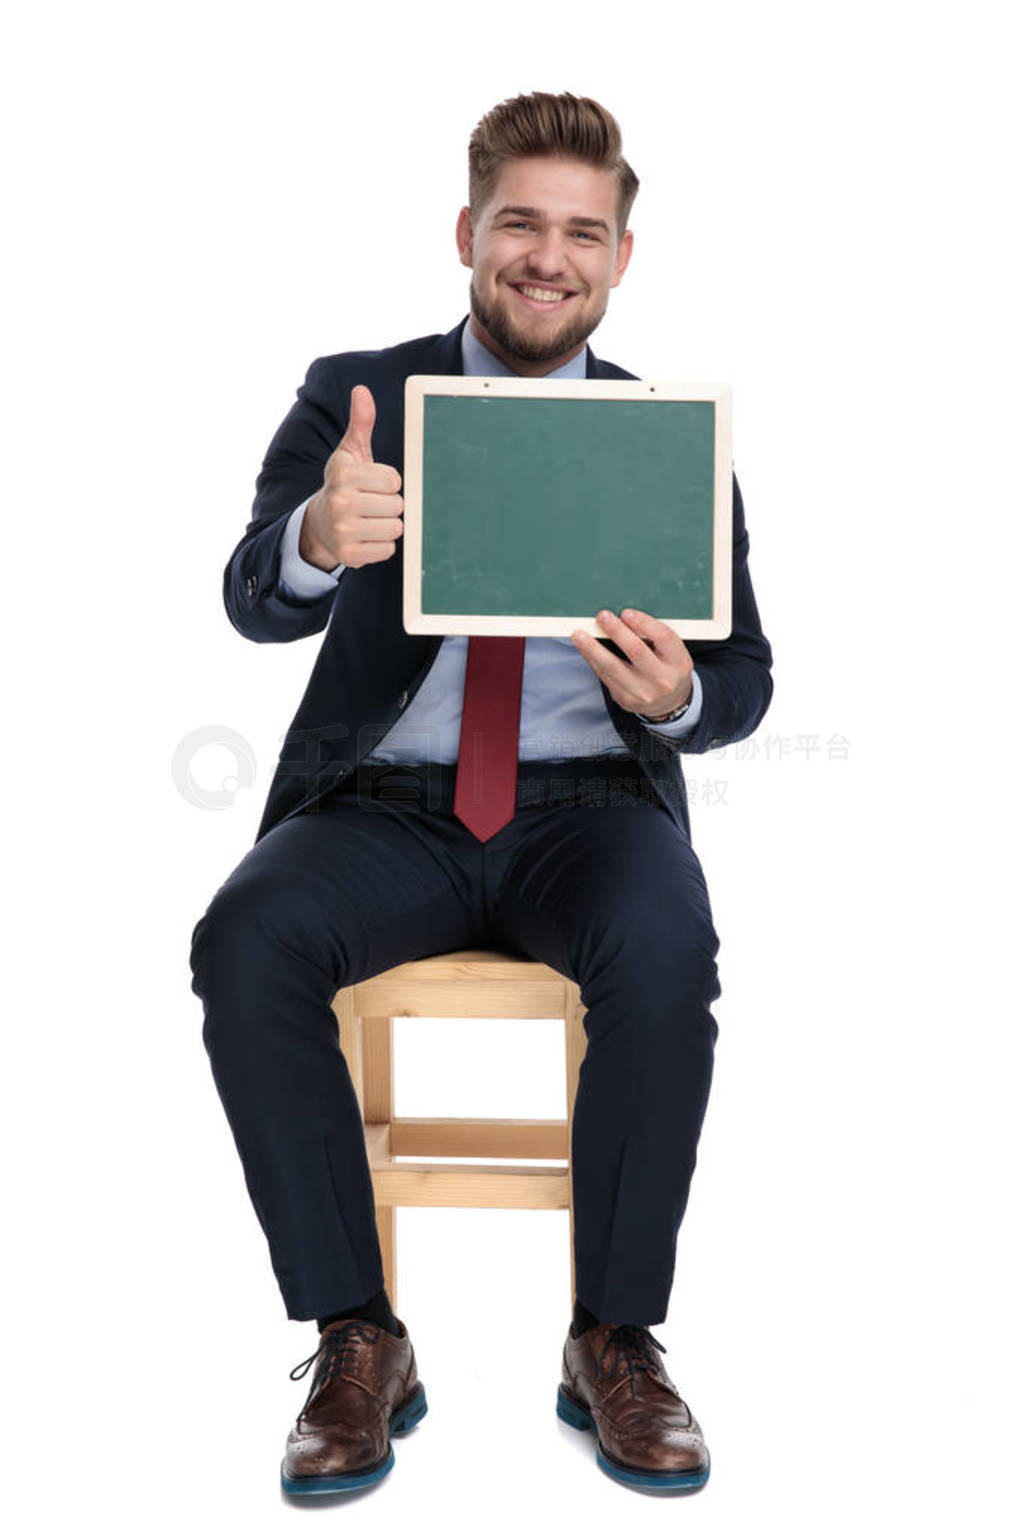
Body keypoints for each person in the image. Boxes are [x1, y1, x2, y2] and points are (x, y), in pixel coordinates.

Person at [189, 90, 773, 1498]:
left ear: (620, 257)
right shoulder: (360, 395)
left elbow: (741, 676)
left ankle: (614, 1339)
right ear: (469, 232)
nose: (548, 255)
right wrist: (319, 539)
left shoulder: (666, 435)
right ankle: (358, 1336)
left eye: (585, 231)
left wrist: (671, 698)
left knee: (666, 941)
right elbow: (251, 598)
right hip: (379, 808)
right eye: (522, 222)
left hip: (591, 815)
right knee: (247, 938)